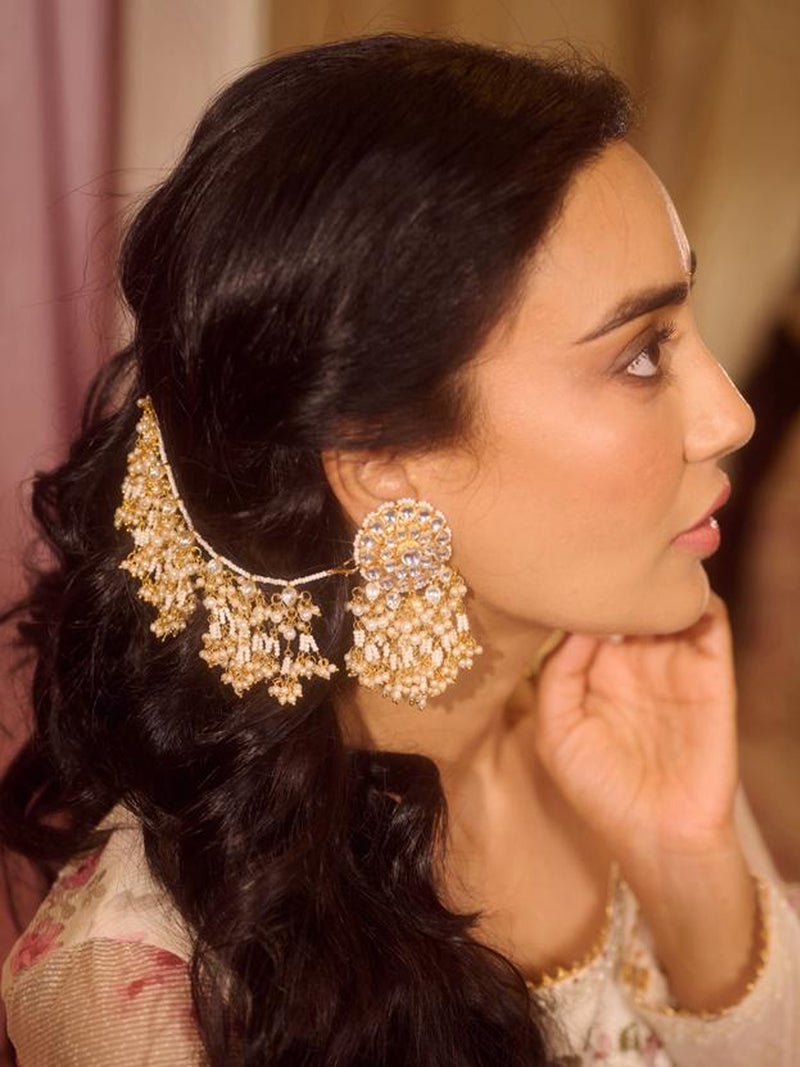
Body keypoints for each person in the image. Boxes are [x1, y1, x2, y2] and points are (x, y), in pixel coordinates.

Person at [0, 31, 797, 1067]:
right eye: (641, 354)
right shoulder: (144, 982)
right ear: (382, 462)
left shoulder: (626, 705)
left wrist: (692, 868)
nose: (731, 414)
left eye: (684, 323)